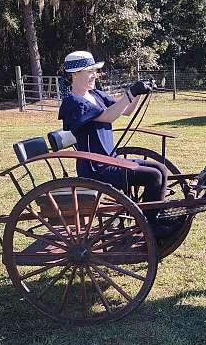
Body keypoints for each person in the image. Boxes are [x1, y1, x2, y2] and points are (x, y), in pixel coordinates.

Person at [57, 50, 173, 238]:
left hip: (110, 160)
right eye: (90, 71)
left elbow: (124, 111)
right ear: (74, 75)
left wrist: (138, 93)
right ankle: (152, 227)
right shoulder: (74, 103)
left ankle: (155, 218)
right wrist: (130, 92)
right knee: (153, 176)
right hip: (96, 167)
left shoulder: (94, 94)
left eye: (95, 70)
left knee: (160, 168)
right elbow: (109, 116)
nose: (95, 74)